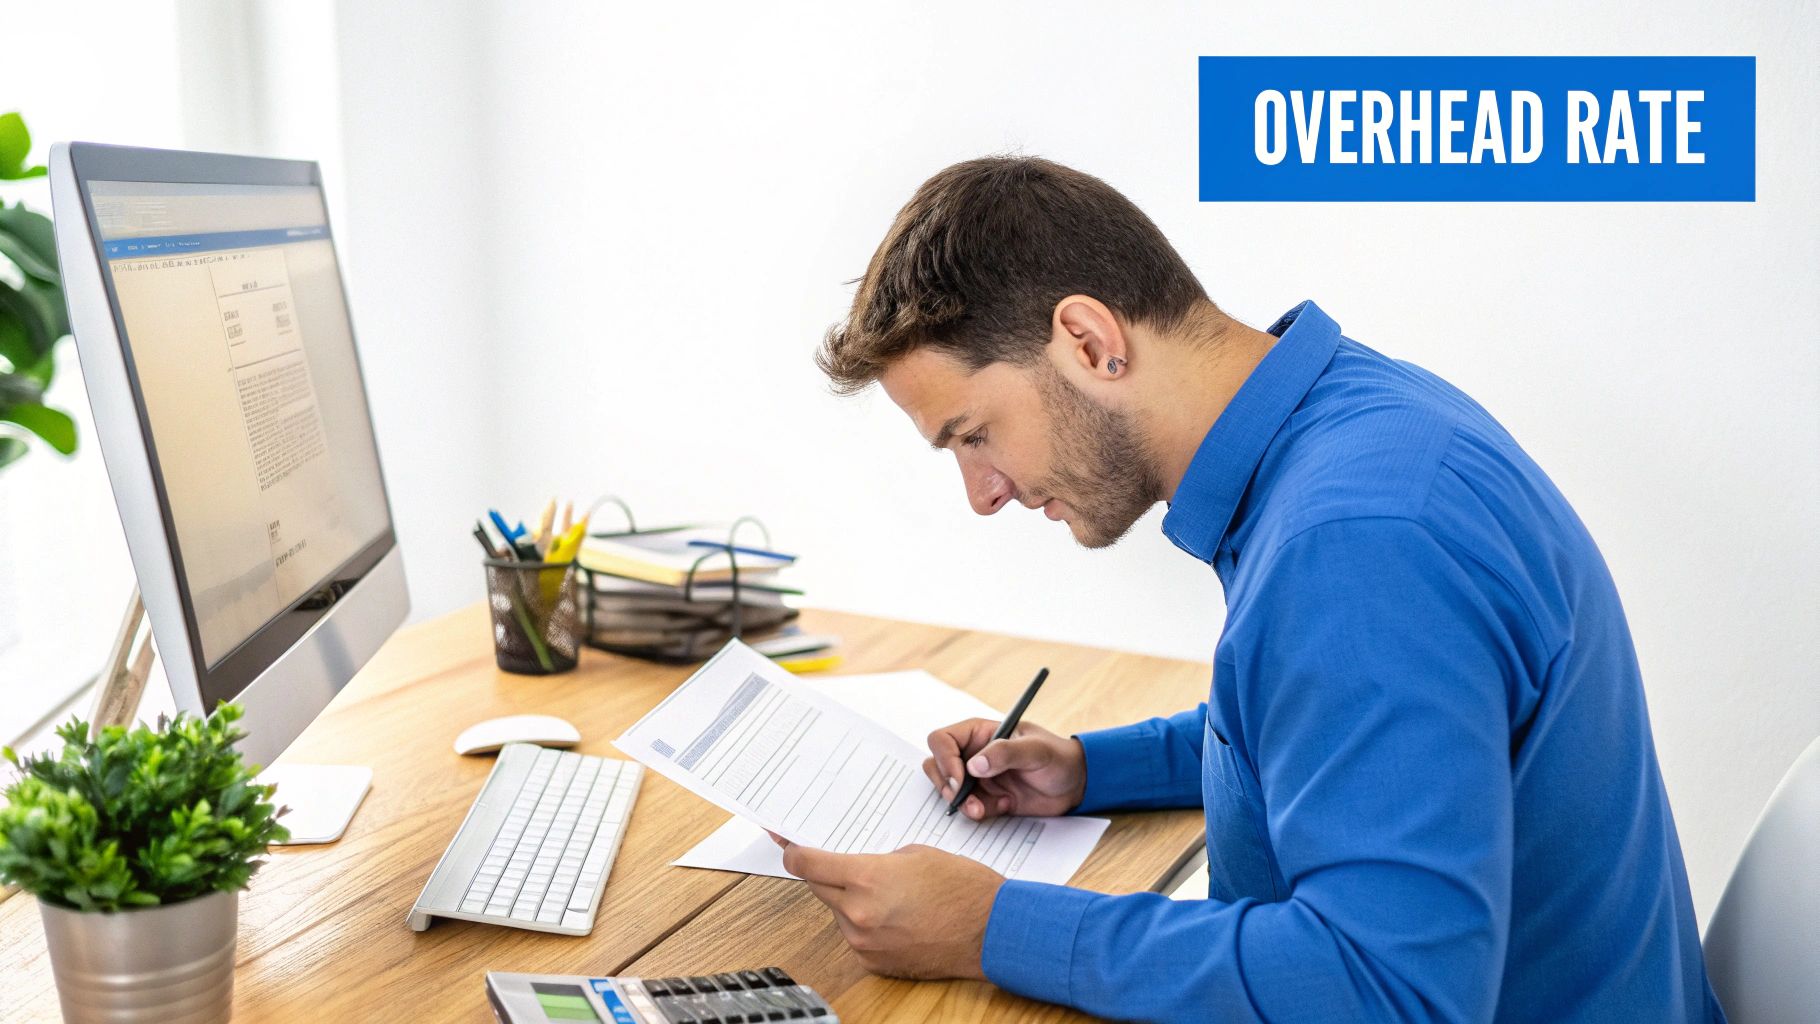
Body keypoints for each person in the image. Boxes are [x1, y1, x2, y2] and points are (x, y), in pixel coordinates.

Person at [780, 155, 1727, 1023]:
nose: (983, 495)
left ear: (1088, 340)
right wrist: (1088, 768)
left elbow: (1389, 990)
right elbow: (1329, 735)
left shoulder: (1356, 548)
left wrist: (992, 927)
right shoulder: (1355, 424)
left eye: (973, 433)